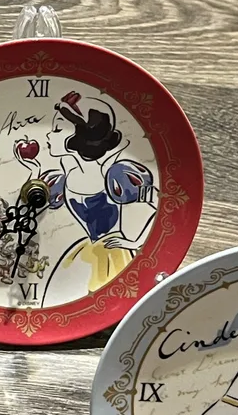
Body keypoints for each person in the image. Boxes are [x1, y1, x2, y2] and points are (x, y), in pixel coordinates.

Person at [13, 91, 157, 304]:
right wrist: (34, 170)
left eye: (57, 129)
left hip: (111, 253)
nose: (49, 135)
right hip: (86, 250)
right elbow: (29, 209)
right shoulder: (64, 177)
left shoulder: (115, 173)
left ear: (79, 134)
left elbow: (156, 210)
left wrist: (134, 242)